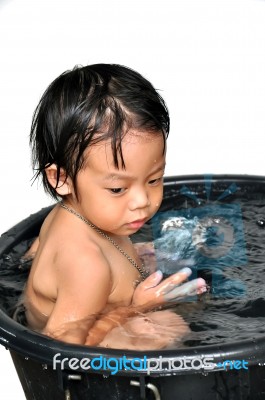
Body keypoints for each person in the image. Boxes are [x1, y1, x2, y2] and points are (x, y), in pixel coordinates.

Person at [22, 64, 207, 350]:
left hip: (93, 300)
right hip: (85, 360)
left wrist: (137, 257)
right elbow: (60, 348)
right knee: (170, 323)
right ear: (61, 178)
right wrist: (136, 308)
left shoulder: (80, 214)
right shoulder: (87, 265)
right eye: (118, 189)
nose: (142, 201)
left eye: (154, 179)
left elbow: (41, 252)